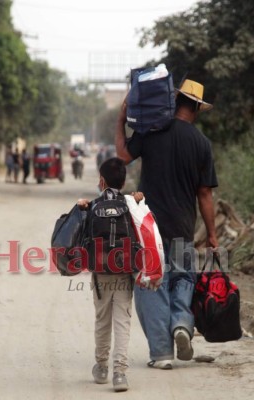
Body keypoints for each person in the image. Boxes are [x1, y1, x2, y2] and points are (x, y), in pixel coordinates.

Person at [115, 79, 219, 369]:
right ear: (197, 108)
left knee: (151, 284)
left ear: (175, 100)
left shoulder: (152, 130)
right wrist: (212, 234)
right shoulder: (202, 143)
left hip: (150, 229)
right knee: (184, 279)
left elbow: (123, 156)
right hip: (183, 227)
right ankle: (182, 324)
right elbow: (205, 194)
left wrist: (122, 119)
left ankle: (162, 353)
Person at [77, 157, 144, 392]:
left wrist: (81, 206)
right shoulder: (131, 204)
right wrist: (138, 200)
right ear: (124, 182)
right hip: (125, 271)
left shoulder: (93, 205)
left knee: (102, 320)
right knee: (122, 320)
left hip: (100, 272)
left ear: (101, 181)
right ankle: (120, 373)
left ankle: (102, 367)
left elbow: (81, 235)